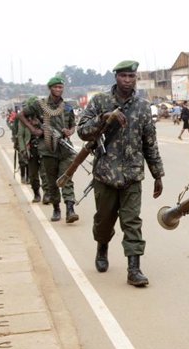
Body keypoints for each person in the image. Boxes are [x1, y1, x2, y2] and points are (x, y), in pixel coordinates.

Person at [77, 60, 165, 287]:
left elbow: (150, 143)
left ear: (136, 78)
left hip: (132, 176)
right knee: (104, 221)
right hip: (105, 175)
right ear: (116, 77)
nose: (127, 80)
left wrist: (157, 174)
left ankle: (134, 269)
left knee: (132, 221)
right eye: (123, 76)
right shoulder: (100, 101)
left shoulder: (143, 107)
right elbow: (82, 132)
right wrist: (104, 118)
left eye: (131, 76)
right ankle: (102, 246)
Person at [18, 77, 78, 223]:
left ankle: (70, 209)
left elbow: (73, 125)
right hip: (48, 148)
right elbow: (21, 115)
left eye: (61, 87)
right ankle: (56, 208)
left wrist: (69, 131)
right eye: (56, 87)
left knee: (66, 178)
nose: (59, 90)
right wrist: (34, 130)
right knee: (52, 180)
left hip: (64, 148)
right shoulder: (40, 105)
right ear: (50, 88)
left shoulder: (67, 107)